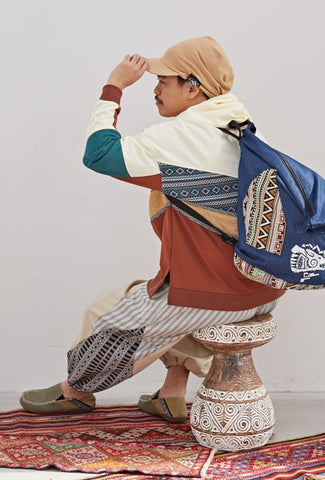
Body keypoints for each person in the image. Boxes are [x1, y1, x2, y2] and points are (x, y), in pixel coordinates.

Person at [20, 36, 285, 422]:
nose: (155, 89)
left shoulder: (183, 137)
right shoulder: (242, 127)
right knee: (158, 297)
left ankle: (75, 390)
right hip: (262, 288)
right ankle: (170, 393)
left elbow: (98, 154)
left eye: (163, 80)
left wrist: (114, 86)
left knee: (106, 314)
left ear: (192, 88)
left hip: (215, 292)